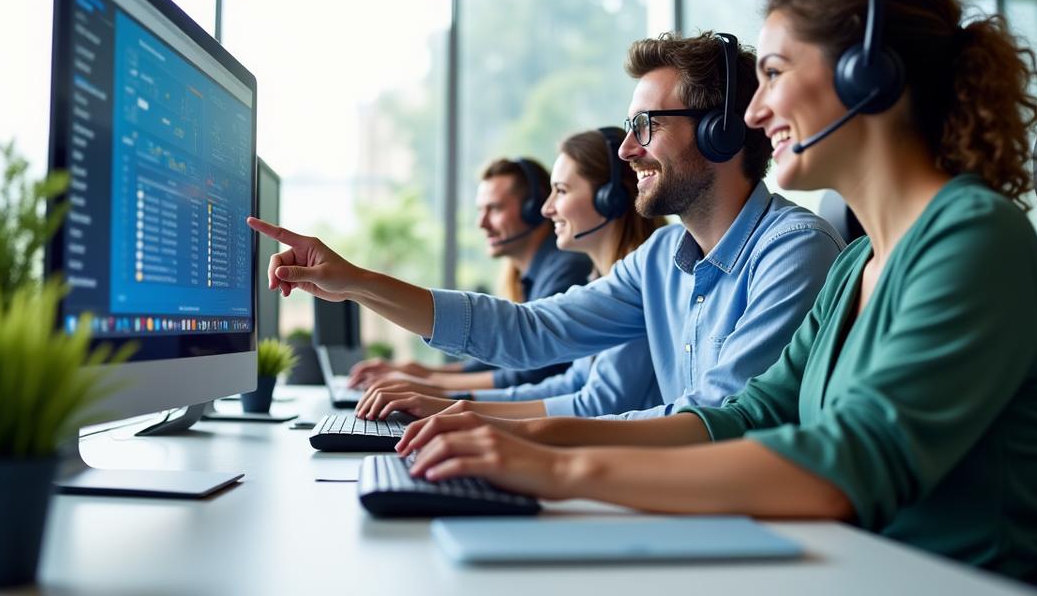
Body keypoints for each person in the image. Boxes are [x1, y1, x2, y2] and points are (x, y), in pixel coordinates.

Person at [384, 0, 1037, 581]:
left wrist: (559, 469)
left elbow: (846, 467)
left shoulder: (973, 241)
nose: (752, 110)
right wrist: (517, 435)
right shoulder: (859, 264)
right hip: (854, 567)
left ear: (868, 78)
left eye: (774, 74)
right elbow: (748, 414)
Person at [248, 29, 843, 427]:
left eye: (646, 125)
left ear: (721, 131)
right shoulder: (663, 257)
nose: (629, 149)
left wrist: (488, 423)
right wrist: (355, 282)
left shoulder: (793, 253)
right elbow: (528, 331)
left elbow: (714, 422)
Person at [355, 127, 667, 420]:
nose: (547, 209)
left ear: (611, 199)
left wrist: (452, 403)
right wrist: (452, 402)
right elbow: (569, 384)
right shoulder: (600, 284)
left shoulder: (640, 285)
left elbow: (596, 404)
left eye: (561, 191)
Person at [348, 157, 593, 393]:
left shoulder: (567, 268)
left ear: (533, 208)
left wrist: (427, 382)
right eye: (480, 210)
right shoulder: (536, 273)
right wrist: (419, 371)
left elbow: (530, 371)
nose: (481, 223)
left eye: (494, 208)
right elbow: (500, 358)